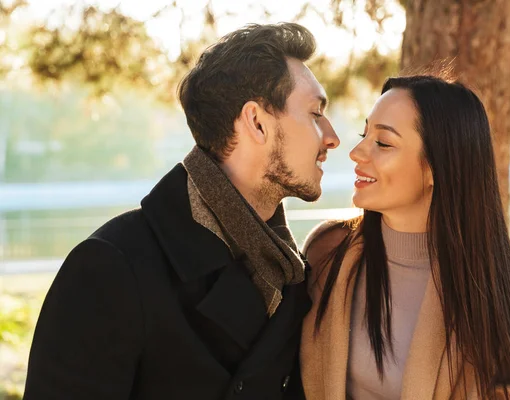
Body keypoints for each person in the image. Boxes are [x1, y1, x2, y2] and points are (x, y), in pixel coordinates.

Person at [23, 22, 339, 400]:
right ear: (257, 123)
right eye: (316, 114)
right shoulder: (112, 266)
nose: (332, 137)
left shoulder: (292, 276)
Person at [300, 75, 510, 399]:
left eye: (383, 143)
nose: (357, 152)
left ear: (435, 167)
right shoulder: (327, 252)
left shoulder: (482, 286)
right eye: (364, 134)